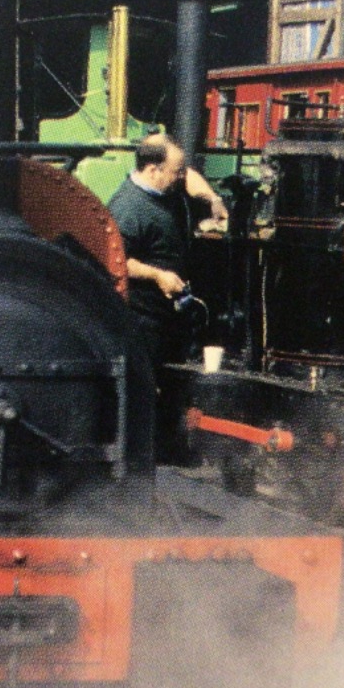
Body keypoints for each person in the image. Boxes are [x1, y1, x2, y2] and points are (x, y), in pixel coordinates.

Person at [107, 133, 227, 464]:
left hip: (171, 313)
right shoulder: (127, 209)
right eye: (173, 171)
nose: (179, 177)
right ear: (152, 169)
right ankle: (150, 456)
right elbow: (117, 259)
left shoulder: (167, 184)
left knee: (174, 382)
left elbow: (189, 176)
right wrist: (158, 275)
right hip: (144, 315)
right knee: (147, 385)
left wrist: (214, 199)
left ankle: (173, 445)